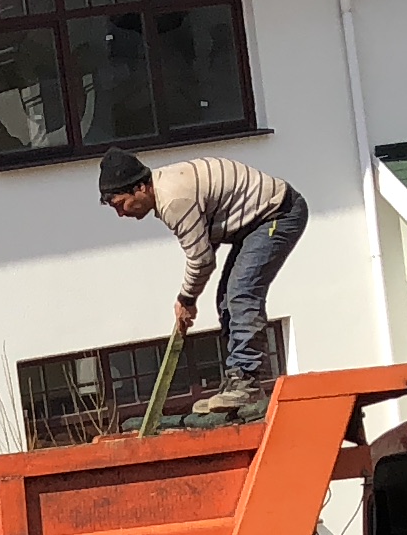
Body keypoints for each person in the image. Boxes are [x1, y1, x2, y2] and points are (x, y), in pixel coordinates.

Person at [100, 148, 306, 421]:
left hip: (278, 213)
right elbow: (207, 241)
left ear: (140, 187)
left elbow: (201, 259)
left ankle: (247, 381)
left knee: (242, 293)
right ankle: (237, 379)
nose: (121, 214)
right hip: (252, 223)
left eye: (120, 204)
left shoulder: (173, 200)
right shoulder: (166, 190)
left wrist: (186, 300)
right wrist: (189, 298)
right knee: (227, 298)